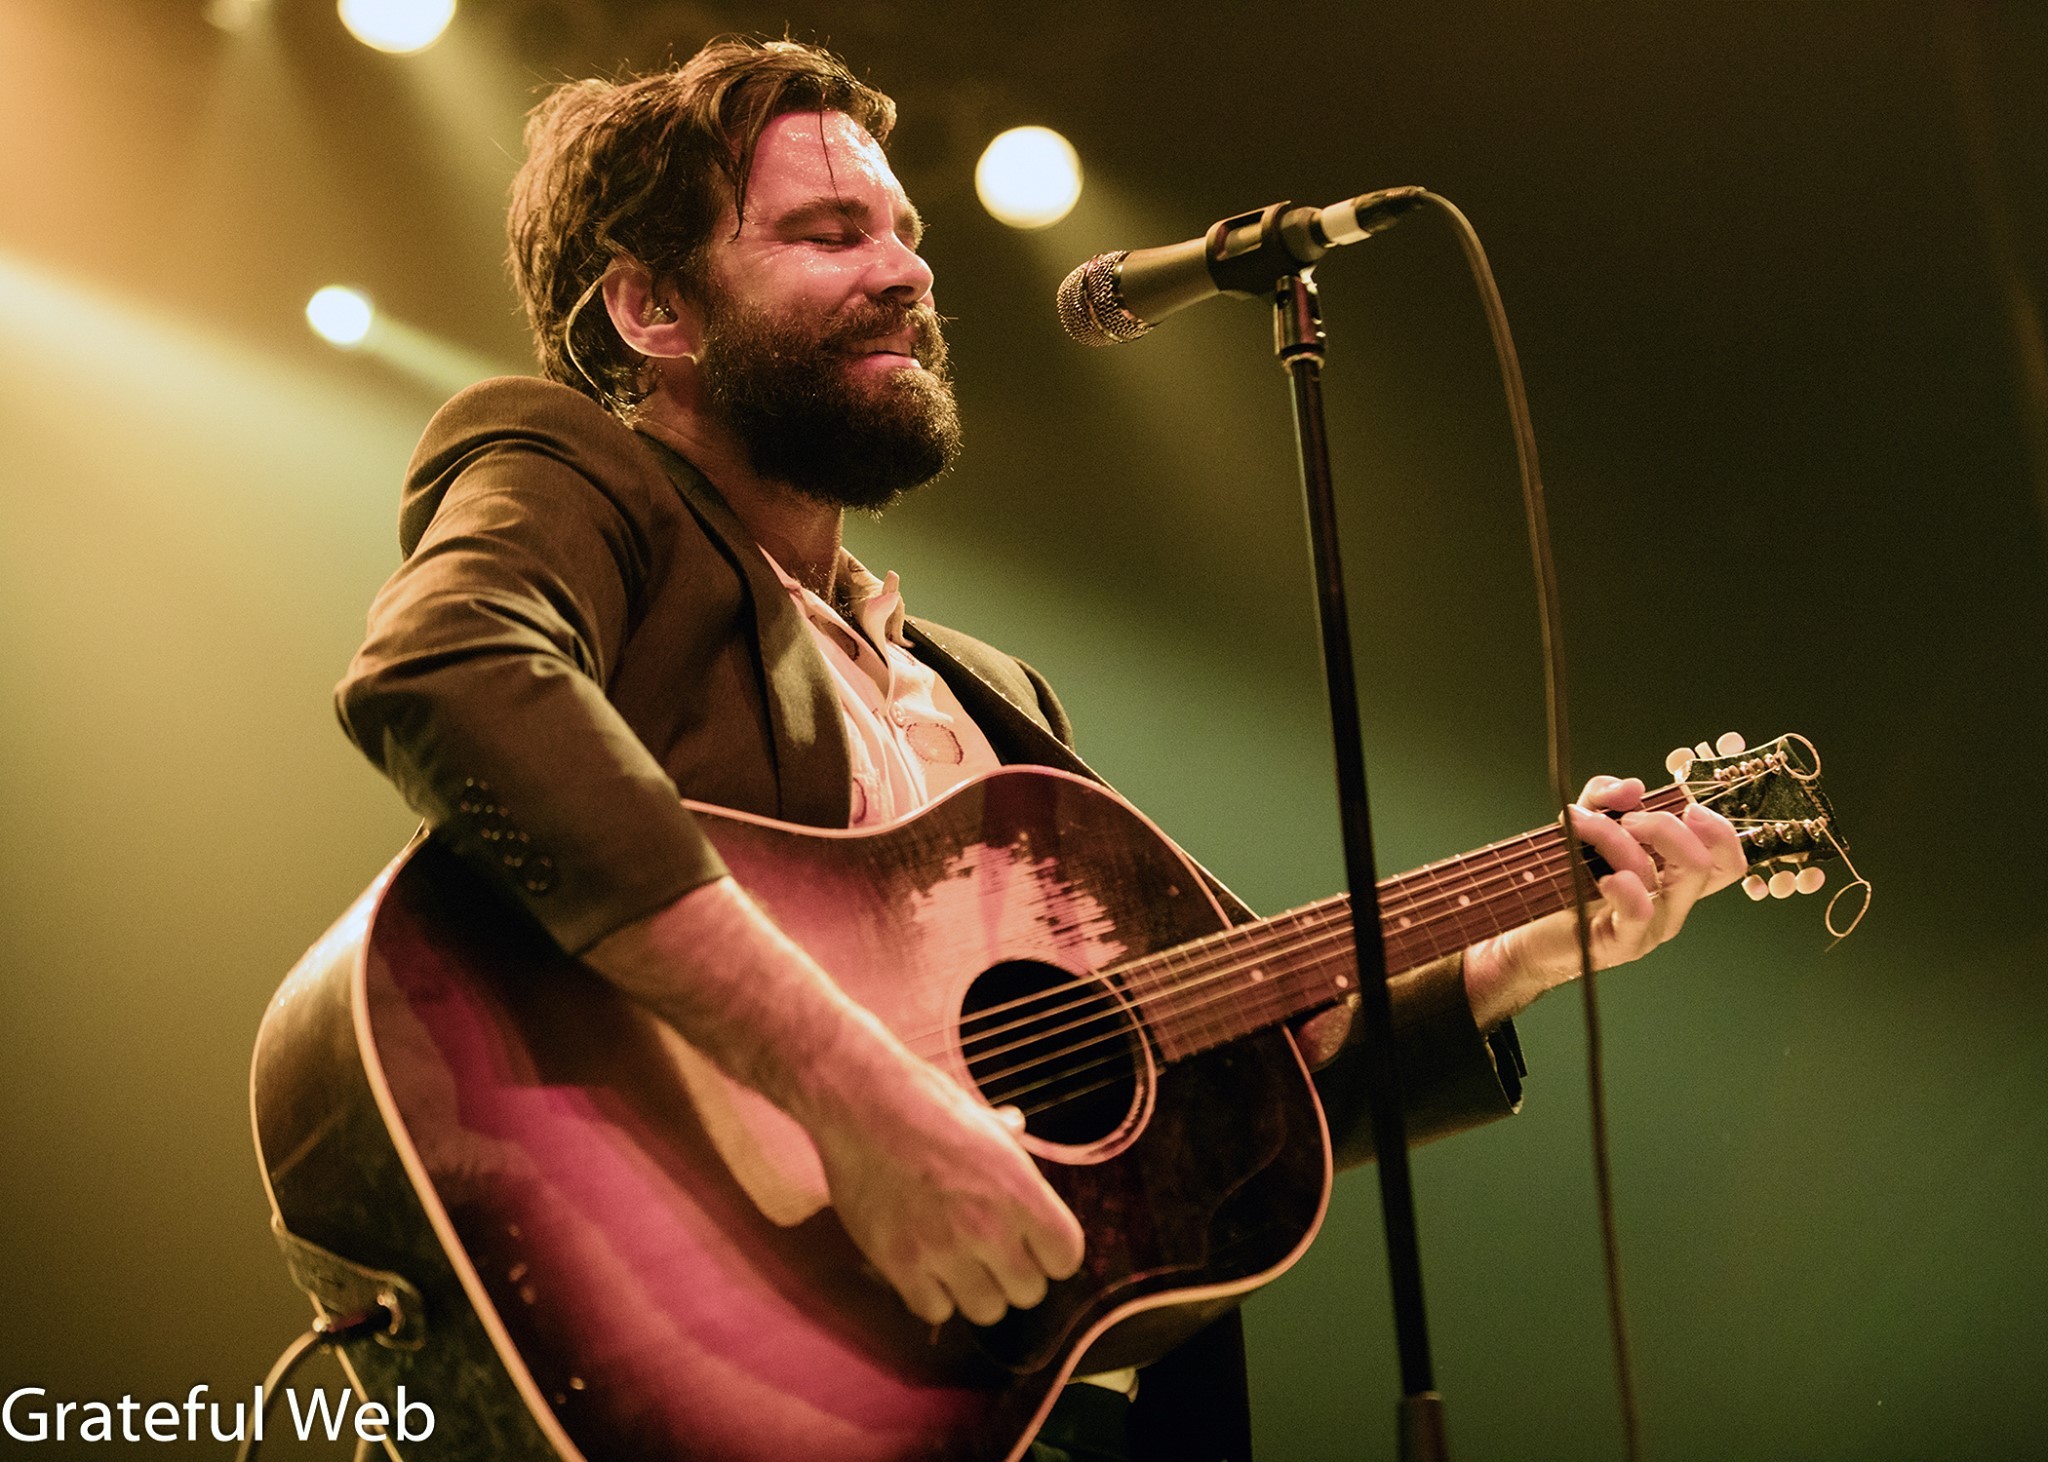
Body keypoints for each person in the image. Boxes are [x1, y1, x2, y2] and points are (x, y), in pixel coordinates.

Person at [336, 36, 1744, 1462]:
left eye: (906, 230)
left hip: (1055, 1413)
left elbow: (1220, 1081)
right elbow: (443, 669)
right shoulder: (575, 478)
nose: (908, 270)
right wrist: (855, 1092)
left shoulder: (991, 698)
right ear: (651, 306)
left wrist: (1523, 954)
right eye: (830, 233)